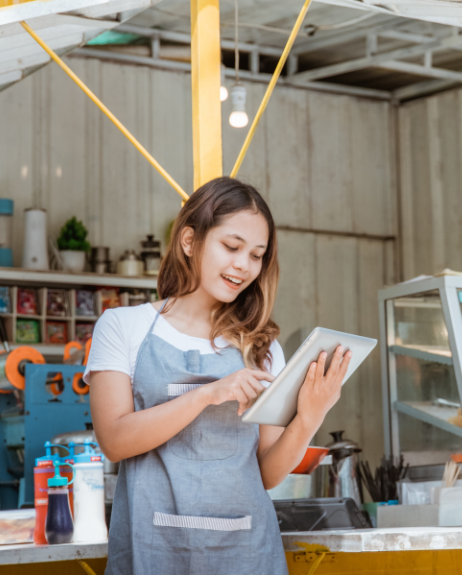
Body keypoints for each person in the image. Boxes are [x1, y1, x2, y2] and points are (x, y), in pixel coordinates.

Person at [86, 177, 351, 574]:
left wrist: (310, 416)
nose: (243, 265)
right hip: (153, 553)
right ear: (189, 241)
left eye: (257, 255)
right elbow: (114, 440)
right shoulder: (123, 326)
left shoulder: (263, 348)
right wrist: (209, 394)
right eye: (231, 247)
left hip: (248, 554)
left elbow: (267, 474)